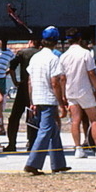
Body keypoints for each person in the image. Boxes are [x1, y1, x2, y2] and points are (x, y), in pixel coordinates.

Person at [23, 26, 69, 174]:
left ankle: (58, 163)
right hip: (49, 98)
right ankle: (33, 163)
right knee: (45, 130)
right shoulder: (54, 58)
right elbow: (55, 82)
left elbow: (29, 81)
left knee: (53, 131)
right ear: (55, 41)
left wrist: (31, 100)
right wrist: (61, 103)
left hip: (37, 97)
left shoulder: (35, 57)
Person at [60, 30, 96, 160]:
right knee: (94, 119)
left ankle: (78, 148)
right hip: (85, 90)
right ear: (79, 39)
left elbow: (62, 78)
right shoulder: (86, 53)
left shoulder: (63, 56)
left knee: (75, 120)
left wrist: (63, 94)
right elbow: (91, 73)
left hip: (71, 91)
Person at [6, 36, 40, 153]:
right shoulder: (40, 54)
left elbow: (11, 68)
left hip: (23, 87)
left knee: (14, 117)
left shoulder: (22, 53)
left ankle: (11, 144)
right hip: (36, 88)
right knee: (32, 117)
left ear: (30, 42)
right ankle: (31, 143)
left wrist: (15, 82)